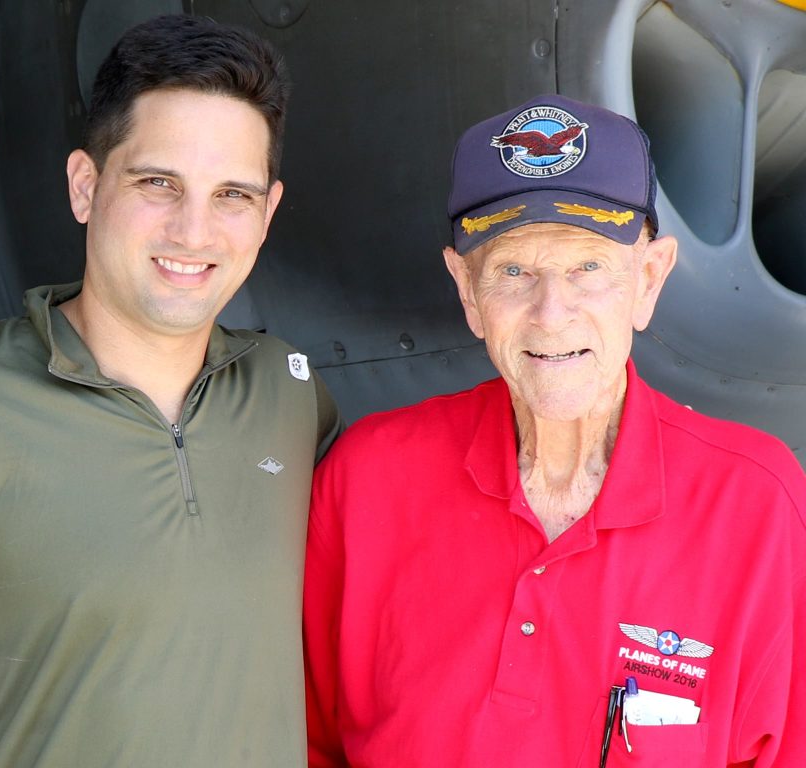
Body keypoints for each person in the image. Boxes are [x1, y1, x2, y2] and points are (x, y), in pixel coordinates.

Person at [0, 14, 341, 767]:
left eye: (232, 195)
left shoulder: (289, 397)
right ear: (85, 186)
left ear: (268, 213)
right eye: (158, 183)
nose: (194, 230)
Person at [303, 94, 805, 767]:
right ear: (466, 289)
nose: (551, 312)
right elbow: (305, 741)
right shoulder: (366, 480)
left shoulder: (756, 502)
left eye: (587, 267)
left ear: (649, 278)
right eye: (514, 270)